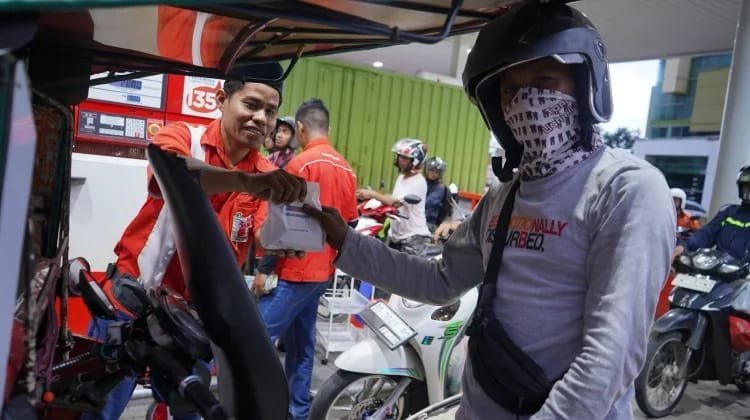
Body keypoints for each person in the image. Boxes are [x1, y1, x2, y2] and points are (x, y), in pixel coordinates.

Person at [304, 2, 675, 419]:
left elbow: (613, 351)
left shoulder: (626, 190)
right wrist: (345, 241)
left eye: (544, 79)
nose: (527, 100)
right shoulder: (504, 195)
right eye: (511, 89)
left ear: (585, 84)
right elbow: (440, 280)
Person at [83, 63, 306, 420]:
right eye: (251, 105)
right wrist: (242, 181)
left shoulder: (266, 173)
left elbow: (262, 232)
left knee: (193, 409)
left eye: (270, 111)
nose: (261, 119)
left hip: (193, 317)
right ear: (221, 99)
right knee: (98, 408)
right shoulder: (183, 136)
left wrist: (284, 238)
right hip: (134, 301)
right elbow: (169, 173)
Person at [252, 98, 358, 420]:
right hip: (322, 273)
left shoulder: (299, 165)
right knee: (301, 347)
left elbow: (276, 225)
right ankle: (297, 412)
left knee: (252, 339)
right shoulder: (347, 169)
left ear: (300, 128)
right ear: (328, 128)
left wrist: (263, 270)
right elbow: (349, 224)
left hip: (294, 272)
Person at [357, 138, 432, 250]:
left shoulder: (418, 181)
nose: (400, 160)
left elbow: (396, 203)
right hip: (395, 235)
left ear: (416, 161)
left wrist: (372, 194)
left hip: (413, 237)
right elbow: (392, 199)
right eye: (400, 156)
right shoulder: (401, 177)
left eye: (405, 158)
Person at [674, 165, 750, 260]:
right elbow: (707, 233)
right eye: (747, 187)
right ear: (741, 188)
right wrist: (684, 246)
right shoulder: (729, 213)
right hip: (718, 266)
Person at [424, 156, 450, 232]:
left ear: (440, 174)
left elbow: (427, 203)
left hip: (429, 222)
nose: (433, 173)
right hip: (416, 218)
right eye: (431, 170)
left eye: (436, 171)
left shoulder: (440, 188)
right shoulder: (422, 182)